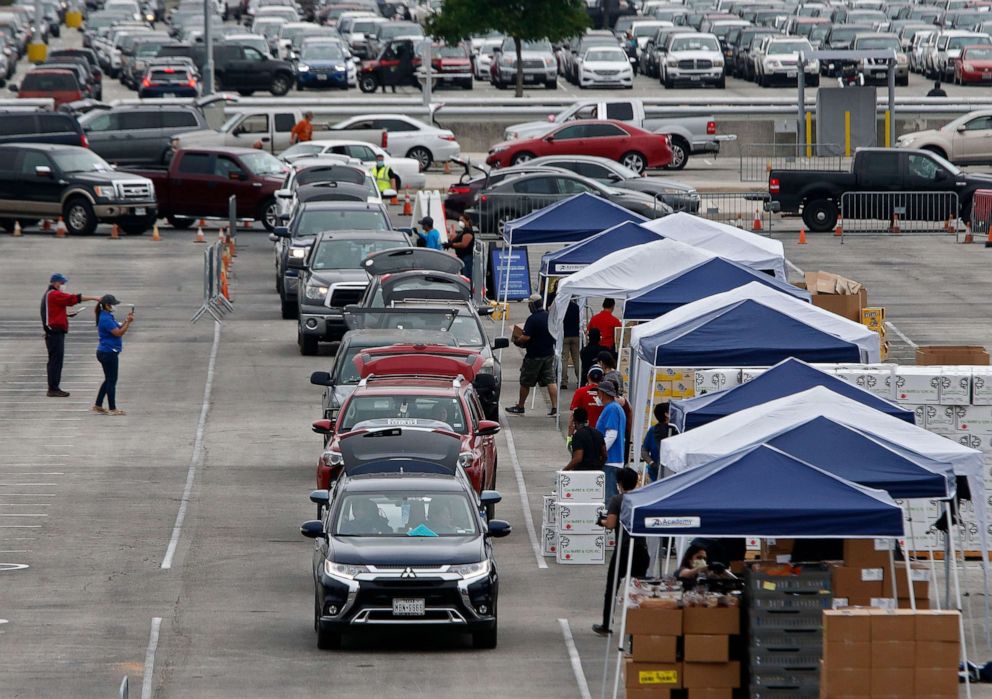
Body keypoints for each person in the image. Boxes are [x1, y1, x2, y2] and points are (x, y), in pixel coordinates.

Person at [593, 466, 650, 635]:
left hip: (624, 550)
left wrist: (600, 521)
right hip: (641, 549)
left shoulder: (617, 500)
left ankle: (606, 624)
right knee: (638, 589)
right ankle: (639, 625)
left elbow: (610, 524)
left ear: (619, 484)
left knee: (612, 587)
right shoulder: (643, 499)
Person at [41, 273, 101, 398]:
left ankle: (54, 387)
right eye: (62, 283)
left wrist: (66, 315)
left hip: (54, 331)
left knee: (55, 361)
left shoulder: (50, 295)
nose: (63, 286)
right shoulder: (54, 294)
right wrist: (94, 298)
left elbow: (53, 311)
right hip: (54, 332)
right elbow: (72, 299)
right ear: (55, 283)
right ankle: (53, 388)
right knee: (56, 361)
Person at [506, 293, 559, 417]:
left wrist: (517, 341)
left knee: (525, 382)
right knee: (551, 380)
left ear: (533, 305)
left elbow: (526, 337)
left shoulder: (533, 319)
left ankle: (520, 406)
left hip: (534, 356)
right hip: (548, 354)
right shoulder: (549, 316)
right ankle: (555, 407)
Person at [92, 295, 133, 415]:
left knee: (108, 379)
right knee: (112, 381)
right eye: (113, 304)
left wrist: (126, 320)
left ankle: (98, 405)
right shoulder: (105, 319)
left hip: (105, 351)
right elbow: (118, 333)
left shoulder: (107, 316)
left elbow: (118, 327)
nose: (115, 306)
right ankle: (112, 408)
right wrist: (129, 323)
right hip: (108, 353)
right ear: (106, 305)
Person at [595, 379, 626, 500]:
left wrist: (599, 452)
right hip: (613, 459)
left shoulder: (612, 409)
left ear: (602, 394)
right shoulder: (614, 408)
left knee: (609, 498)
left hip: (611, 460)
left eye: (598, 393)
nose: (597, 396)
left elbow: (612, 435)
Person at [564, 407, 606, 471]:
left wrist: (565, 470)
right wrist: (599, 467)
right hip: (596, 472)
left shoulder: (578, 436)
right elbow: (604, 455)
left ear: (574, 421)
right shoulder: (598, 433)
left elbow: (577, 458)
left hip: (582, 472)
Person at [569, 366, 605, 435]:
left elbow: (572, 415)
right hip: (602, 434)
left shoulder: (580, 392)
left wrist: (569, 436)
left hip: (584, 434)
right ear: (602, 378)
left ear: (588, 377)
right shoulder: (606, 394)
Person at [640, 402, 670, 482]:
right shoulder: (653, 430)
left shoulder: (675, 429)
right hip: (655, 475)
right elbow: (644, 450)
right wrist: (652, 463)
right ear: (666, 414)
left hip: (671, 473)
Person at [445, 213, 475, 279]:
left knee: (466, 277)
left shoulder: (468, 231)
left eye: (462, 220)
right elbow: (456, 238)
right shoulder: (463, 231)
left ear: (467, 221)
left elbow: (464, 244)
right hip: (462, 257)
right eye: (459, 220)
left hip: (466, 257)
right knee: (463, 276)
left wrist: (452, 245)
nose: (460, 222)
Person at [560, 300, 581, 389]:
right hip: (575, 335)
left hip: (565, 335)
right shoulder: (576, 307)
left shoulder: (562, 306)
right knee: (577, 359)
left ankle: (564, 381)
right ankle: (580, 380)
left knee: (564, 360)